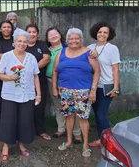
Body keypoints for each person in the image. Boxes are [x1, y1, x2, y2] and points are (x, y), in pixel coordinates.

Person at [52, 28, 100, 157]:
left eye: (76, 38)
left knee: (83, 118)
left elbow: (97, 71)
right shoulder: (61, 53)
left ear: (81, 40)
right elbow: (55, 71)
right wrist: (54, 88)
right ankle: (68, 141)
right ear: (67, 40)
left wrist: (93, 90)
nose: (74, 41)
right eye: (71, 39)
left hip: (83, 91)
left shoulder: (88, 53)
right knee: (68, 116)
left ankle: (85, 145)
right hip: (65, 90)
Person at [0, 33, 41, 161]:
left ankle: (21, 144)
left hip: (27, 94)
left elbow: (35, 76)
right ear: (14, 42)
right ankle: (5, 146)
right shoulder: (6, 56)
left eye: (25, 42)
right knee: (8, 121)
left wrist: (38, 94)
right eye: (19, 41)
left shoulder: (31, 58)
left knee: (25, 121)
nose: (22, 44)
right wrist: (10, 77)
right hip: (9, 95)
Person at [45, 27, 82, 143]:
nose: (53, 36)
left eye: (55, 33)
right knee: (58, 106)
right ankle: (61, 128)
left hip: (66, 81)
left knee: (72, 108)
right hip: (51, 80)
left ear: (60, 35)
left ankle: (76, 133)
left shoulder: (67, 48)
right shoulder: (47, 50)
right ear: (47, 38)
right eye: (50, 35)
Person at [88, 21, 120, 147]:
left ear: (109, 35)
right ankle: (101, 137)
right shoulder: (90, 47)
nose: (102, 34)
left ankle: (109, 140)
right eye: (100, 32)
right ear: (95, 33)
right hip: (94, 86)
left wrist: (116, 88)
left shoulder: (112, 49)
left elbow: (115, 69)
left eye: (105, 32)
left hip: (107, 85)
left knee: (101, 114)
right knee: (96, 114)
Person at [25, 24, 51, 141]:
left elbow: (46, 58)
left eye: (34, 31)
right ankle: (27, 130)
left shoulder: (42, 45)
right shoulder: (23, 45)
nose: (31, 34)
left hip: (40, 80)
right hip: (25, 82)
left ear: (37, 33)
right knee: (26, 107)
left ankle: (41, 130)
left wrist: (32, 70)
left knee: (39, 107)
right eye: (29, 32)